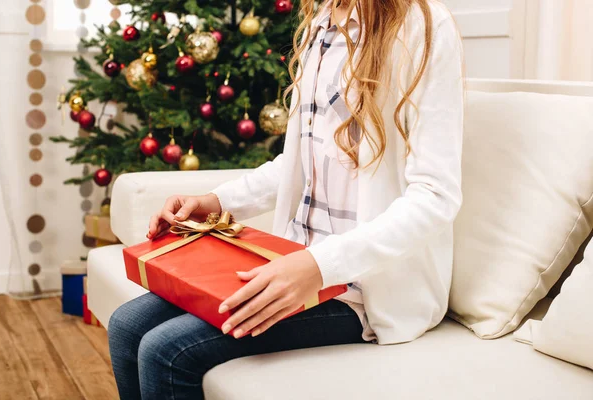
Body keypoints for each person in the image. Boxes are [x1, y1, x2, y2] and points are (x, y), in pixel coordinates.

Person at [108, 0, 464, 398]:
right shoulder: (323, 21)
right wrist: (216, 201)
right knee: (126, 326)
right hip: (291, 262)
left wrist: (318, 265)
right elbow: (300, 162)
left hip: (363, 288)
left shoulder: (423, 25)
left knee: (167, 353)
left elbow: (436, 196)